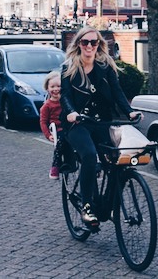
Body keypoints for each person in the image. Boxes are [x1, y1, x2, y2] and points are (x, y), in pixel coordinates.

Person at [60, 26, 141, 225]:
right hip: (77, 124)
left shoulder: (105, 67)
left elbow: (117, 91)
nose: (89, 46)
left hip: (101, 122)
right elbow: (65, 95)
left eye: (93, 42)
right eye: (85, 42)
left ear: (99, 45)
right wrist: (71, 113)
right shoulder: (69, 67)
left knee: (117, 160)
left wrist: (129, 111)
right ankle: (87, 207)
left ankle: (109, 204)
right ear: (79, 44)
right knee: (88, 155)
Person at [39, 70, 63, 180]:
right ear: (47, 88)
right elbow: (43, 122)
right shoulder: (46, 106)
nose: (55, 89)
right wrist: (49, 135)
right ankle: (55, 165)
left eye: (58, 86)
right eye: (52, 86)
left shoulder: (65, 101)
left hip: (69, 127)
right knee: (60, 143)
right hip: (57, 130)